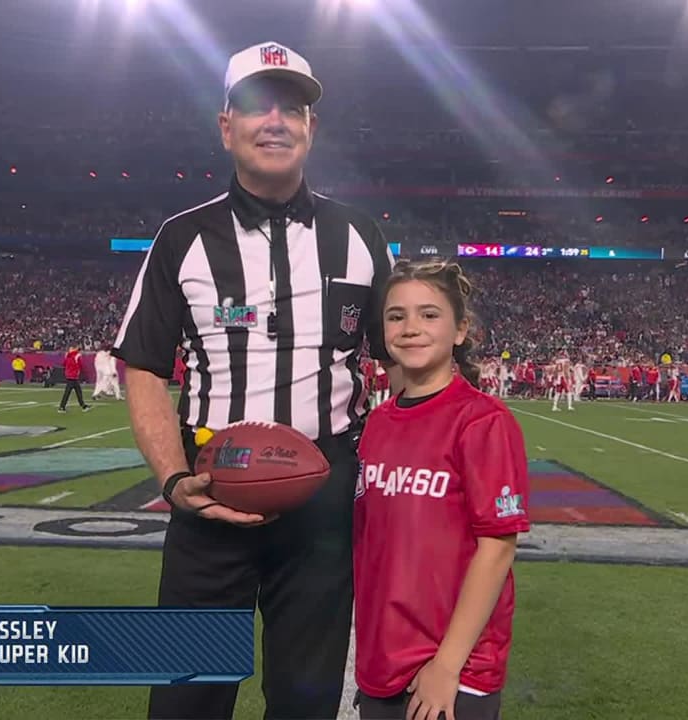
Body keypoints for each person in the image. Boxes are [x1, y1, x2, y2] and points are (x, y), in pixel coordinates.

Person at [112, 41, 397, 720]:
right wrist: (175, 480)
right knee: (186, 698)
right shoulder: (182, 238)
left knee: (306, 698)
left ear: (311, 128)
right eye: (256, 106)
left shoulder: (360, 234)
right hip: (212, 484)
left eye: (291, 108)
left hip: (325, 493)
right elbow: (145, 365)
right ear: (226, 125)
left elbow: (401, 355)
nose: (275, 121)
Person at [353, 258, 529, 720]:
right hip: (381, 660)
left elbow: (497, 549)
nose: (411, 327)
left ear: (459, 330)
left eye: (429, 315)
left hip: (453, 670)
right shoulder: (377, 422)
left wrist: (446, 667)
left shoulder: (484, 422)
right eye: (397, 316)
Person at [57, 346, 91, 413]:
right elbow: (81, 365)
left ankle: (83, 406)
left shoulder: (67, 355)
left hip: (69, 375)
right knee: (69, 392)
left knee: (77, 391)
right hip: (74, 375)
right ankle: (62, 407)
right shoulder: (77, 355)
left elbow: (64, 364)